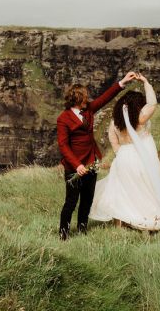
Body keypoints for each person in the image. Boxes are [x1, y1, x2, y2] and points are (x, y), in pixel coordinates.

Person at [89, 73, 160, 237]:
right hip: (140, 158)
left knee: (123, 190)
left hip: (123, 158)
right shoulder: (140, 118)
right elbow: (153, 102)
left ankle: (120, 224)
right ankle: (148, 221)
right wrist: (146, 82)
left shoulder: (115, 122)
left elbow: (113, 141)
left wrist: (122, 154)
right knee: (144, 188)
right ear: (138, 106)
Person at [57, 72, 137, 240]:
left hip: (91, 163)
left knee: (87, 201)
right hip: (74, 167)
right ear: (78, 99)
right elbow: (63, 145)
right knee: (71, 202)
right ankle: (63, 235)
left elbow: (105, 98)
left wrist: (122, 82)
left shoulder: (89, 111)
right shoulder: (63, 119)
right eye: (85, 97)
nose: (88, 99)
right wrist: (77, 165)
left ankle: (82, 230)